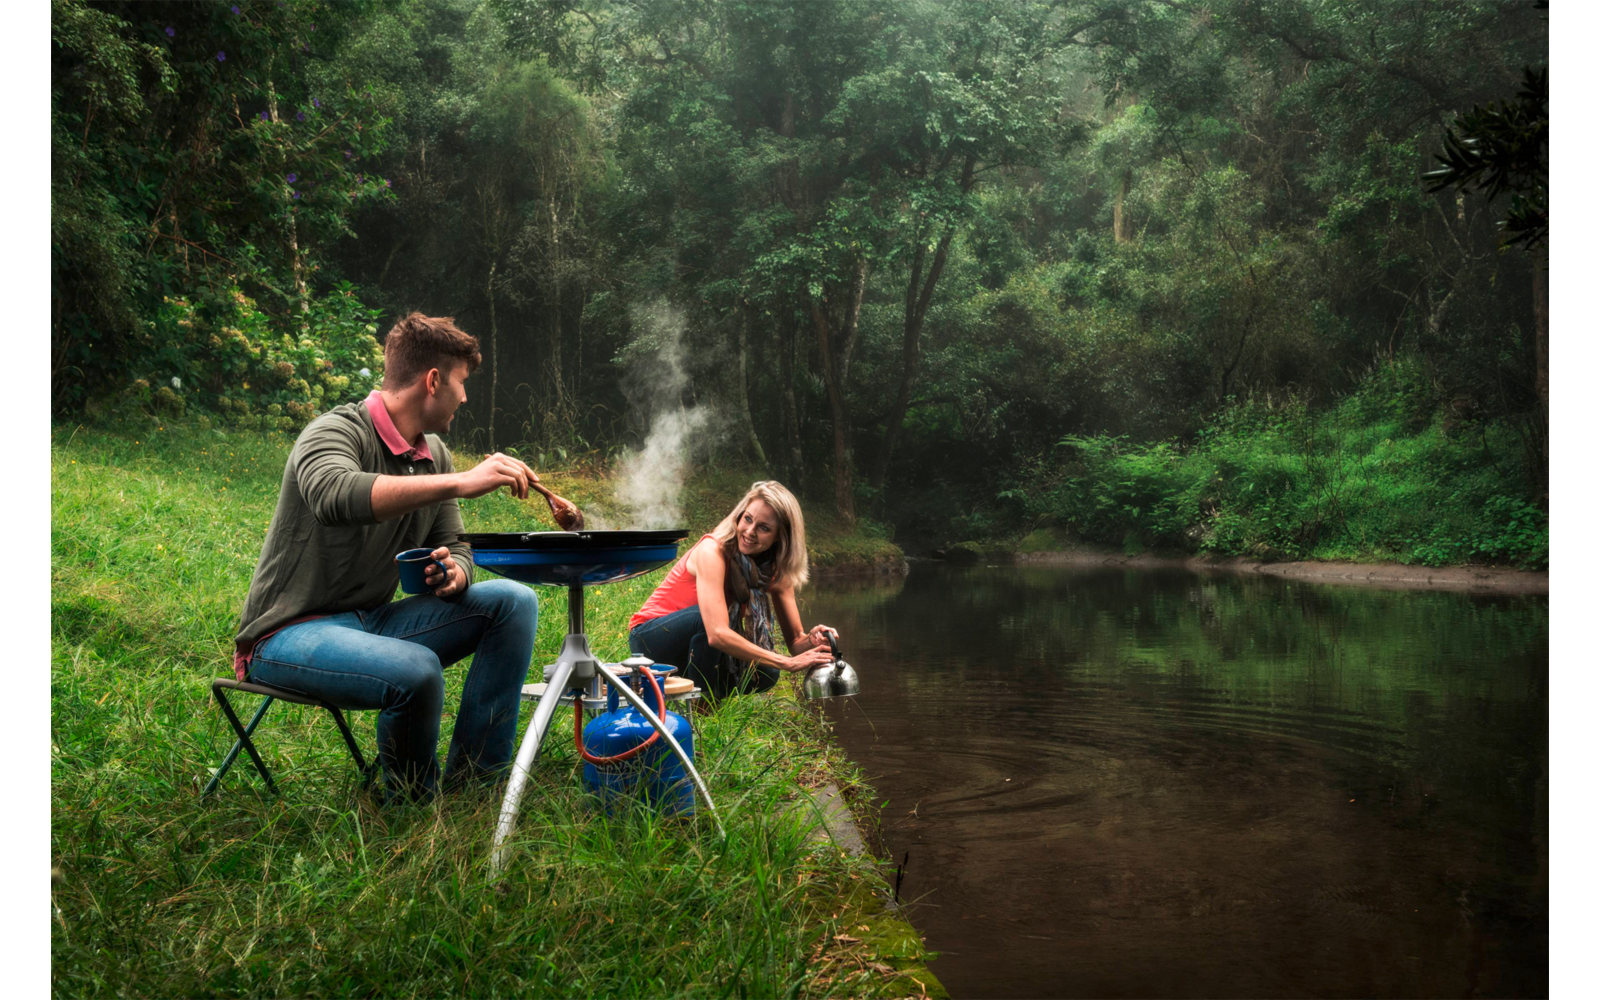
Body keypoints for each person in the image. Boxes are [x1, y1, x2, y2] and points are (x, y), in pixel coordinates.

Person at [233, 312, 547, 803]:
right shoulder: (333, 431)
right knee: (417, 668)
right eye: (462, 383)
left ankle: (475, 788)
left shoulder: (433, 454)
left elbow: (458, 545)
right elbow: (334, 495)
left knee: (513, 601)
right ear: (433, 380)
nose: (465, 397)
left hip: (373, 621)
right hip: (288, 634)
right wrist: (462, 481)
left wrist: (455, 573)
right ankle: (410, 807)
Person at [628, 481, 839, 699]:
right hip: (649, 641)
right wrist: (787, 662)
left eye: (764, 528)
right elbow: (717, 634)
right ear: (739, 516)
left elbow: (796, 642)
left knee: (767, 672)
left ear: (780, 537)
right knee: (708, 620)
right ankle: (704, 711)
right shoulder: (712, 551)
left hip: (699, 645)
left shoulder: (775, 571)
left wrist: (813, 640)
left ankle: (705, 696)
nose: (749, 531)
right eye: (747, 519)